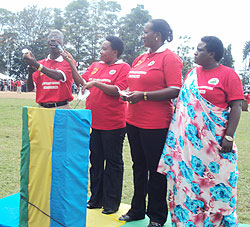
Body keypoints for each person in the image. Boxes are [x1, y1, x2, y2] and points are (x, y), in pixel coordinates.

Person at [157, 36, 244, 226]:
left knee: (219, 181)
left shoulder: (228, 74)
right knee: (188, 184)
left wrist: (229, 136)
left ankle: (217, 220)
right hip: (188, 147)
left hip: (214, 144)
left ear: (211, 54)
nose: (195, 53)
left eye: (200, 49)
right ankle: (188, 220)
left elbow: (236, 106)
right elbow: (183, 107)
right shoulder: (191, 74)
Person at [118, 19, 183, 227]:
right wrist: (128, 94)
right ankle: (137, 209)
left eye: (146, 32)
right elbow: (134, 84)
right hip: (133, 120)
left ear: (158, 35)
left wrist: (143, 95)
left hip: (155, 124)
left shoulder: (169, 58)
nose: (142, 35)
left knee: (156, 171)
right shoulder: (140, 59)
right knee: (138, 166)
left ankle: (156, 216)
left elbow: (175, 90)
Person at [62, 36, 131, 214]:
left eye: (104, 48)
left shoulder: (123, 67)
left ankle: (111, 203)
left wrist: (96, 83)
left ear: (114, 52)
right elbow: (81, 83)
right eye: (100, 48)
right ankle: (96, 199)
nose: (100, 51)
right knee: (96, 161)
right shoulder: (95, 66)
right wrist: (72, 65)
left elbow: (118, 92)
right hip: (93, 123)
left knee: (113, 162)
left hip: (113, 124)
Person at [23, 29, 74, 109]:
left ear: (63, 43)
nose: (53, 39)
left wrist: (36, 65)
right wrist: (30, 72)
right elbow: (30, 88)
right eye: (51, 37)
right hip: (42, 108)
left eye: (57, 37)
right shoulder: (41, 63)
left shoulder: (68, 62)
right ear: (48, 42)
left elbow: (58, 76)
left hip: (61, 107)